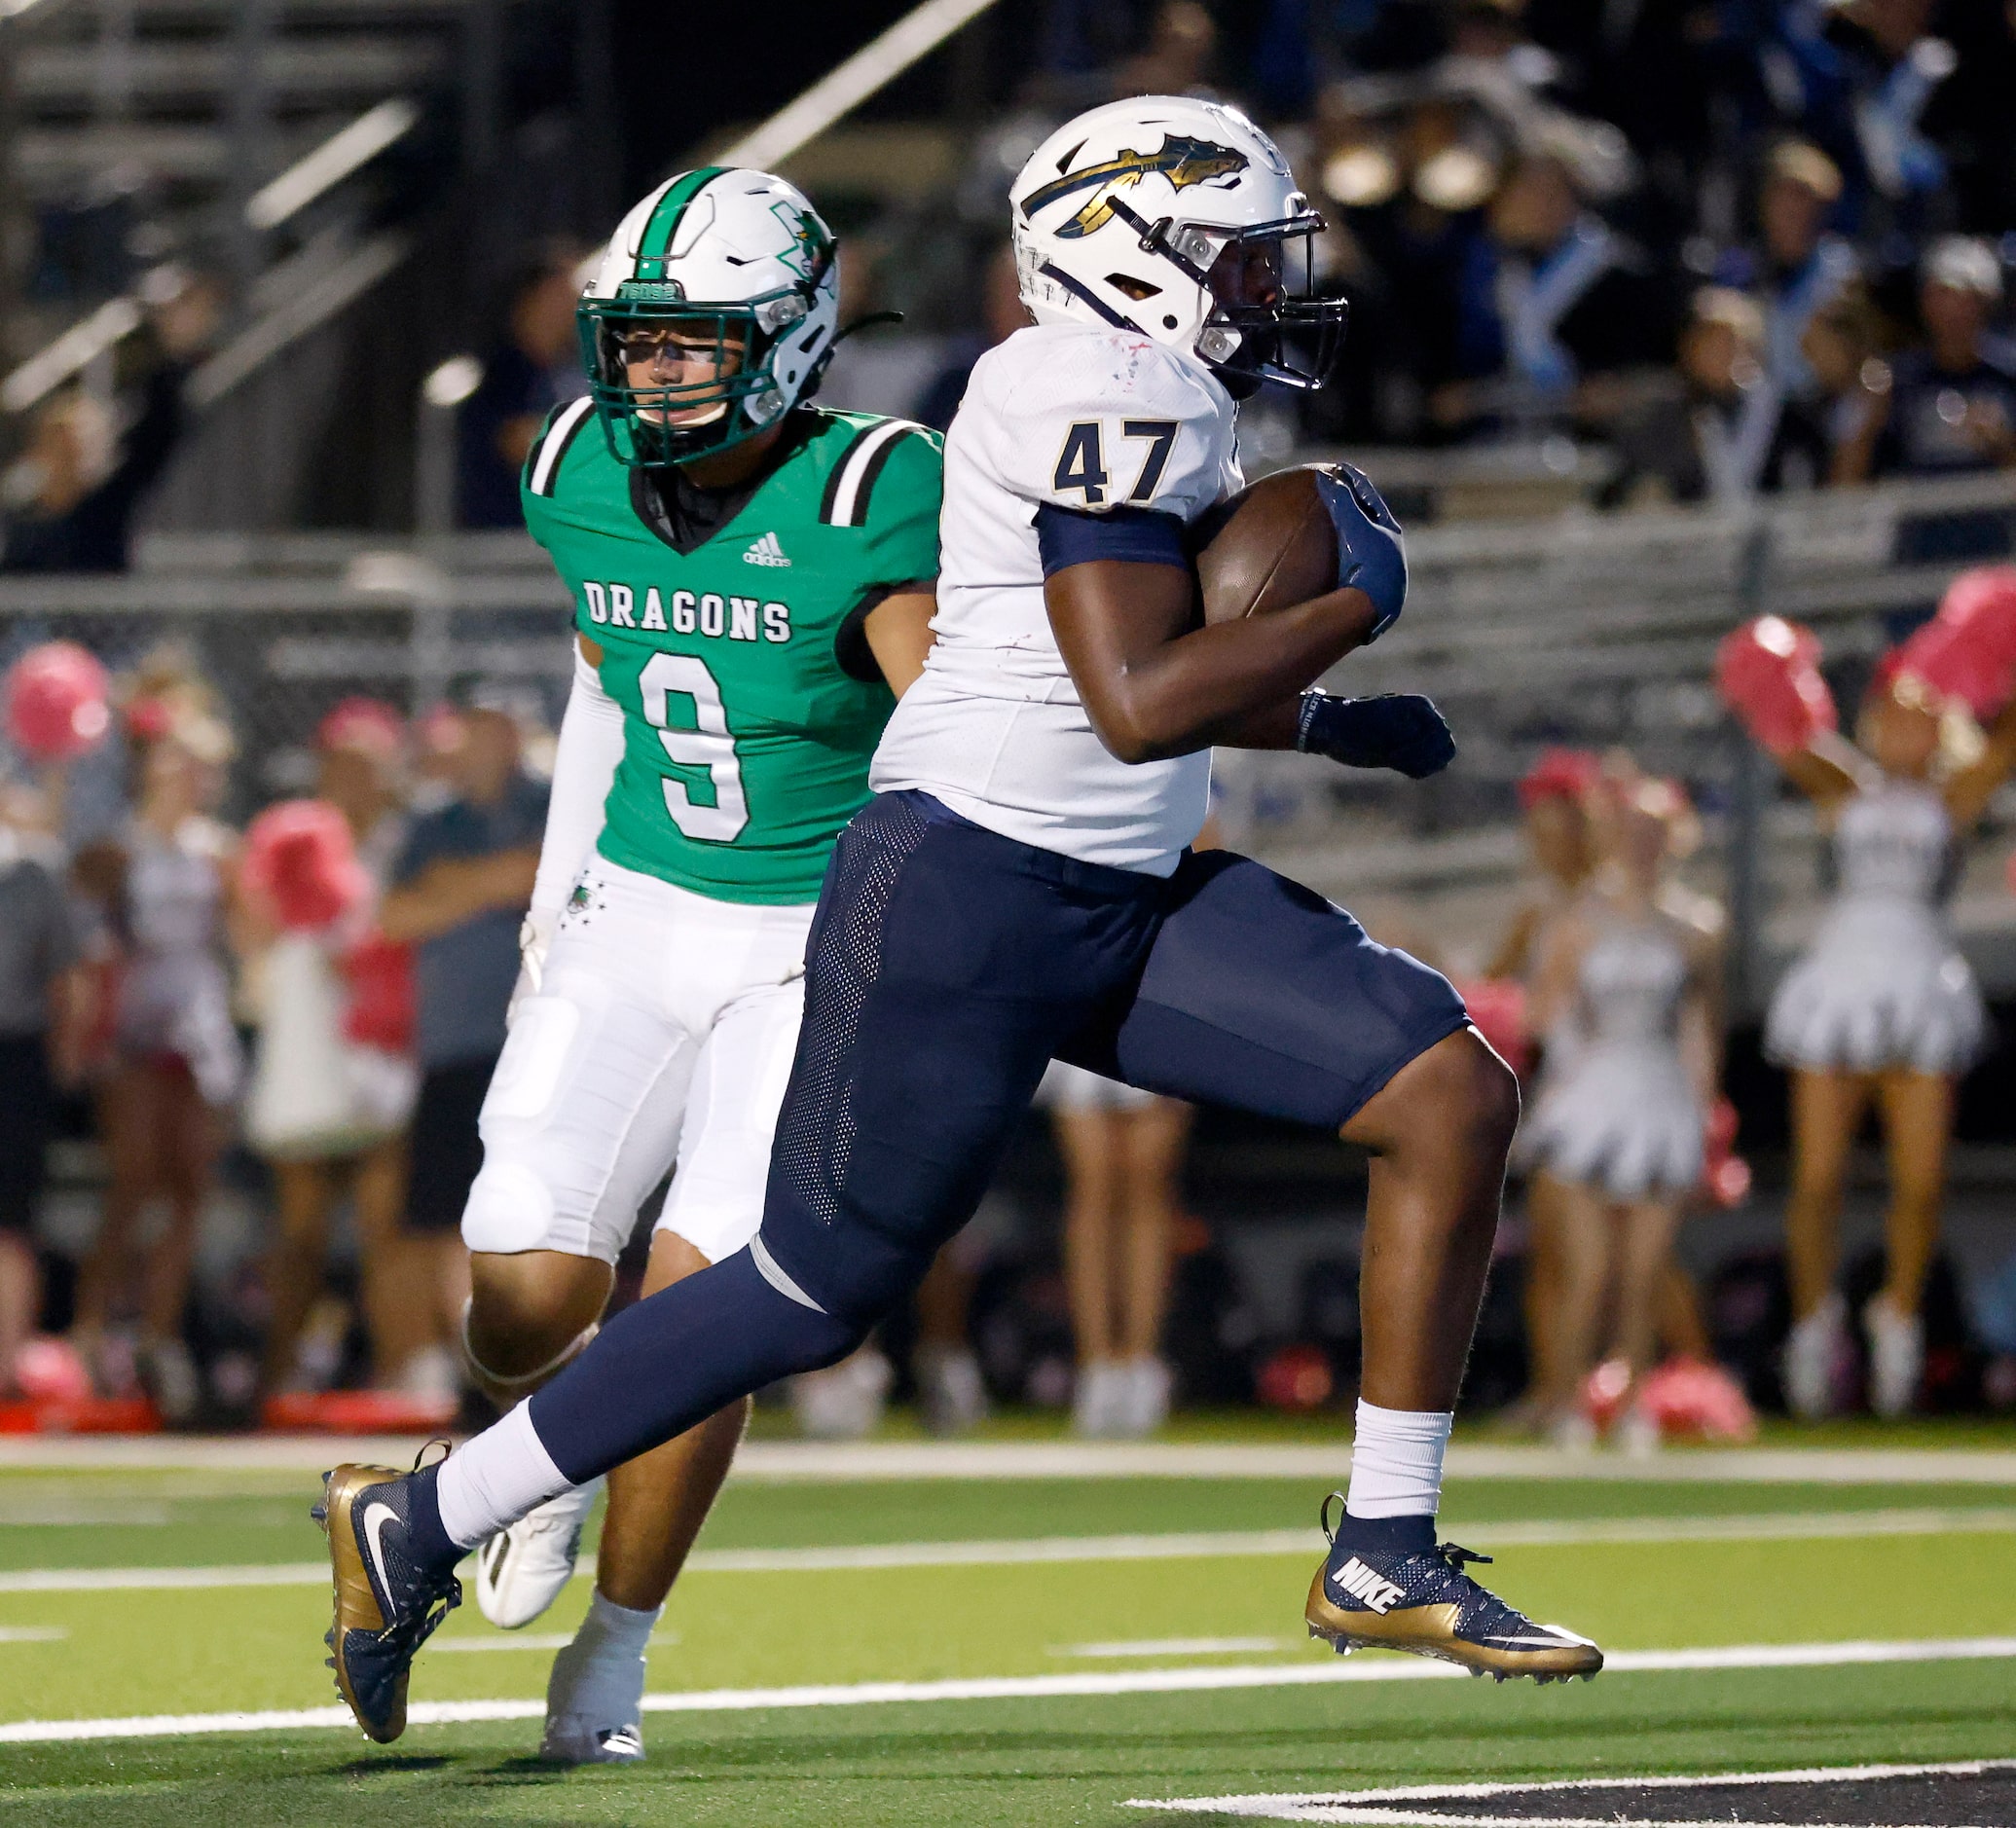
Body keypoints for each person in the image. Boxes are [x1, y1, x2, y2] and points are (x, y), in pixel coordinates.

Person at [315, 96, 1603, 1750]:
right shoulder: (1088, 384)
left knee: (1446, 1086)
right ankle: (421, 1521)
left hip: (1112, 884)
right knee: (800, 1287)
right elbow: (1134, 698)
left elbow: (1075, 679)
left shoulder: (1141, 392)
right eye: (1234, 255)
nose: (1266, 287)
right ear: (1129, 256)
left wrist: (1328, 720)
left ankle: (1384, 1543)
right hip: (970, 886)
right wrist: (1356, 582)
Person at [445, 168, 939, 1762]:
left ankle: (614, 1655)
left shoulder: (871, 491)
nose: (655, 373)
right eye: (638, 341)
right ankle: (554, 1449)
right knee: (518, 1292)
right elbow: (612, 665)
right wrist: (555, 892)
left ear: (791, 336)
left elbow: (939, 742)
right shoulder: (575, 465)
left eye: (694, 343)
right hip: (639, 907)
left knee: (704, 1296)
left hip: (807, 939)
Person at [1720, 609, 2016, 1417]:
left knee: (1919, 1183)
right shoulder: (1842, 784)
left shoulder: (1955, 797)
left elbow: (2005, 743)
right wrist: (1775, 668)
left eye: (1921, 713)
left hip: (1921, 983)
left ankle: (1899, 1319)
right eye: (1890, 711)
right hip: (1841, 980)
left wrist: (1990, 654)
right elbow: (1776, 729)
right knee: (1818, 1177)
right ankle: (1815, 1325)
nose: (1902, 727)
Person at [1520, 769, 1723, 1448]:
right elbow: (1546, 1019)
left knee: (1643, 1271)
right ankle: (1569, 1401)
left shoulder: (1695, 928)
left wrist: (1701, 1120)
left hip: (1657, 1099)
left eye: (1652, 831)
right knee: (1587, 1268)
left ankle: (1633, 1404)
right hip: (1589, 1096)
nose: (1639, 844)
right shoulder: (1576, 922)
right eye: (1629, 830)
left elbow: (1698, 1031)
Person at [69, 682, 240, 1422]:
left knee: (189, 1185)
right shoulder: (119, 844)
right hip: (136, 1022)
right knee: (134, 1176)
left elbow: (242, 937)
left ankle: (158, 1331)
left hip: (196, 1020)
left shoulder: (220, 850)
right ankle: (89, 1321)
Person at [375, 687, 547, 1398]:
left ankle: (528, 1354)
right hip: (452, 1046)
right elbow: (392, 916)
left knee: (532, 1206)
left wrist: (455, 887)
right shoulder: (430, 822)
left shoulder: (550, 800)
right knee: (448, 1214)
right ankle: (476, 1363)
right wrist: (498, 881)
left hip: (533, 1036)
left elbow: (549, 876)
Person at [245, 701, 418, 1399]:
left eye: (366, 766)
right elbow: (253, 934)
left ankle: (399, 1373)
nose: (352, 780)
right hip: (309, 1059)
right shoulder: (287, 841)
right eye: (339, 764)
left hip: (389, 1059)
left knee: (387, 1228)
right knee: (301, 1231)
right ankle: (277, 1380)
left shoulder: (411, 843)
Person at [1042, 1061, 1191, 1437]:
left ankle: (1140, 1367)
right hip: (1080, 1008)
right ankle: (1097, 1372)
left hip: (1158, 1007)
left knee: (1148, 1180)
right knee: (1092, 1182)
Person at [0, 782, 90, 1387]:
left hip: (15, 1056)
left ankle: (6, 1366)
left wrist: (61, 1065)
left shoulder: (32, 871)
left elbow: (70, 979)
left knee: (11, 1218)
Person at [458, 245, 590, 529]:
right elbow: (522, 443)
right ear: (532, 300)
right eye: (561, 293)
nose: (574, 305)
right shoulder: (499, 373)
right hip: (500, 547)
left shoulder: (567, 372)